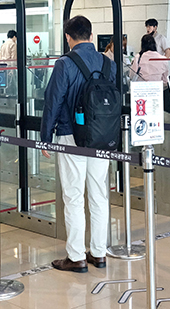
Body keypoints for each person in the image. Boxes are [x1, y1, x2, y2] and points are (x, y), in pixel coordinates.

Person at [40, 16, 116, 272]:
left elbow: (54, 100)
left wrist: (45, 138)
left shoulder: (64, 63)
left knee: (73, 196)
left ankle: (76, 256)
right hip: (103, 137)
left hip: (71, 135)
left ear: (68, 37)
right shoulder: (108, 63)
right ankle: (99, 252)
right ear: (91, 36)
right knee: (99, 195)